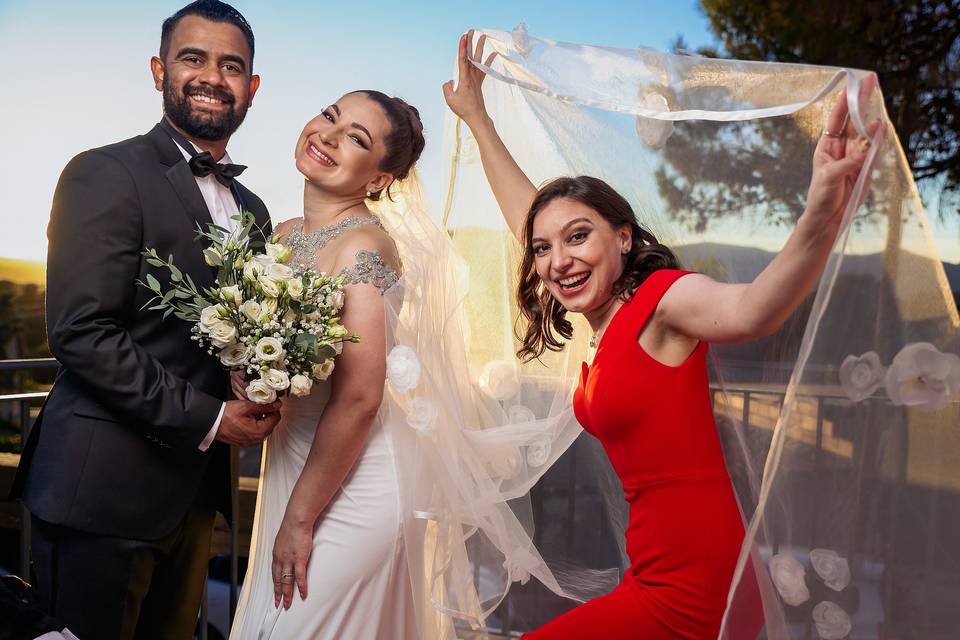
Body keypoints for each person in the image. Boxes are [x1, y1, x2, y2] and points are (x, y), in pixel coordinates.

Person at [443, 31, 883, 639]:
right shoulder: (603, 319)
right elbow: (529, 220)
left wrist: (820, 207)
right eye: (544, 249)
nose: (556, 260)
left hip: (698, 582)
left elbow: (754, 309)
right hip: (656, 572)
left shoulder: (663, 300)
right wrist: (478, 119)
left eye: (579, 237)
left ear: (623, 237)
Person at [10, 2, 280, 638]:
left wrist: (260, 378)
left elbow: (232, 335)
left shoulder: (255, 211)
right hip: (98, 493)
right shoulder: (103, 173)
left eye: (231, 65)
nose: (213, 76)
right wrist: (213, 417)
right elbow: (81, 331)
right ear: (159, 70)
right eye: (194, 58)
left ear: (252, 87)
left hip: (191, 502)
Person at [229, 90, 429, 639]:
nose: (328, 135)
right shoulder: (285, 234)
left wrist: (299, 518)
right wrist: (248, 371)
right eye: (329, 116)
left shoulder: (365, 247)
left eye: (357, 139)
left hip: (355, 479)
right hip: (294, 461)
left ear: (379, 179)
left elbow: (361, 395)